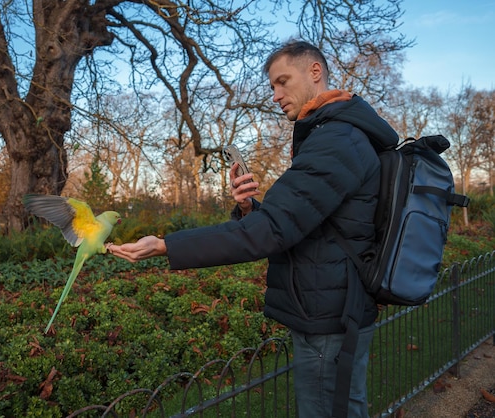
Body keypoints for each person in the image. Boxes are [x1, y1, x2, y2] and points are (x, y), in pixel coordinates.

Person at [108, 40, 399, 418]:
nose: (276, 96)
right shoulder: (330, 136)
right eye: (272, 87)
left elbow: (270, 232)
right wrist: (249, 208)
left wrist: (166, 246)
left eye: (282, 81)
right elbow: (305, 225)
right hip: (329, 305)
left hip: (330, 315)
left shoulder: (337, 140)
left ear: (315, 72)